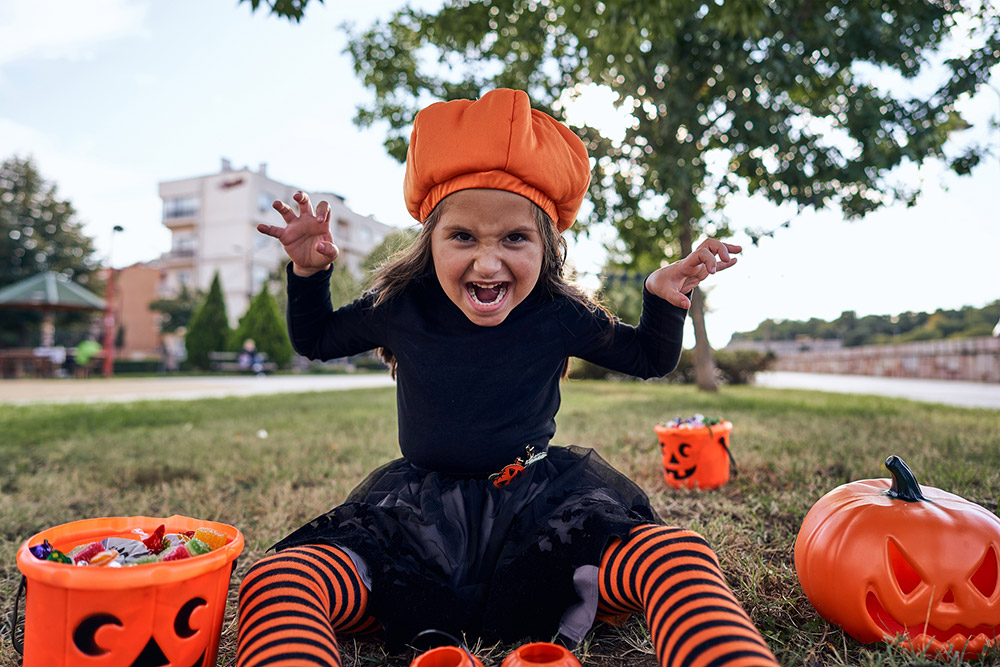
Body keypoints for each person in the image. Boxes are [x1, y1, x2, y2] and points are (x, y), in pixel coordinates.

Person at [237, 88, 779, 667]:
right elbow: (316, 340)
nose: (488, 262)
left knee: (675, 555)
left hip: (544, 516)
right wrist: (307, 272)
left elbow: (648, 358)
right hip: (415, 522)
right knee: (279, 578)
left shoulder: (557, 312)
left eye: (514, 238)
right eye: (463, 236)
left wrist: (663, 298)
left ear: (546, 247)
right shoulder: (401, 305)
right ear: (431, 242)